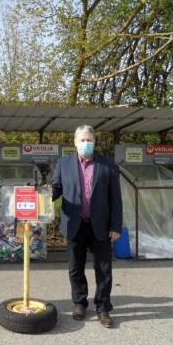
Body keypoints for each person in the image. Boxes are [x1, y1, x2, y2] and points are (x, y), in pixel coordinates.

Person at [50, 125, 122, 328]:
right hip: (75, 225)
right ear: (74, 142)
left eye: (89, 140)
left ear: (95, 142)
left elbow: (116, 198)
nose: (86, 143)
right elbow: (56, 188)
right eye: (82, 140)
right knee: (75, 269)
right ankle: (79, 303)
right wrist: (41, 196)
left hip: (101, 225)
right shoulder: (64, 164)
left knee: (104, 270)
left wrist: (116, 226)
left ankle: (103, 308)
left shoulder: (107, 165)